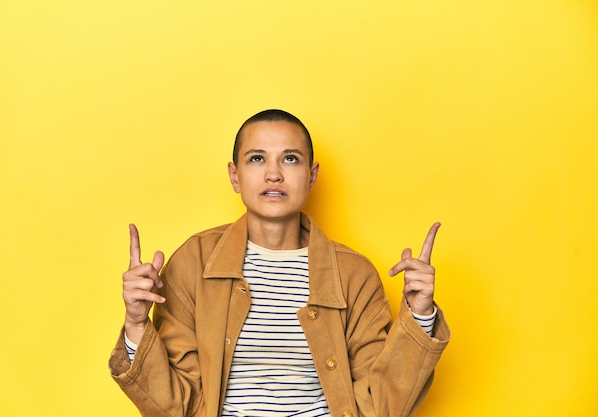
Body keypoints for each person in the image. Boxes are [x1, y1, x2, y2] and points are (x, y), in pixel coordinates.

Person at [109, 109, 450, 417]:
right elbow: (175, 407)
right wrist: (137, 324)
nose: (273, 174)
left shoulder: (354, 274)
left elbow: (380, 407)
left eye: (290, 159)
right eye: (257, 159)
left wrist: (420, 316)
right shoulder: (193, 263)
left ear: (312, 175)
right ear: (234, 175)